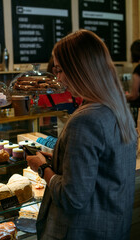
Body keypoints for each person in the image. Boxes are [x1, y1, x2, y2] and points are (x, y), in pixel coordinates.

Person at [27, 29, 137, 240]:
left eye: (59, 70)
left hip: (82, 231)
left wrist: (42, 168)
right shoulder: (117, 107)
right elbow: (102, 171)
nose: (58, 78)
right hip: (113, 228)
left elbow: (72, 198)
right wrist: (59, 161)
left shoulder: (85, 119)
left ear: (77, 69)